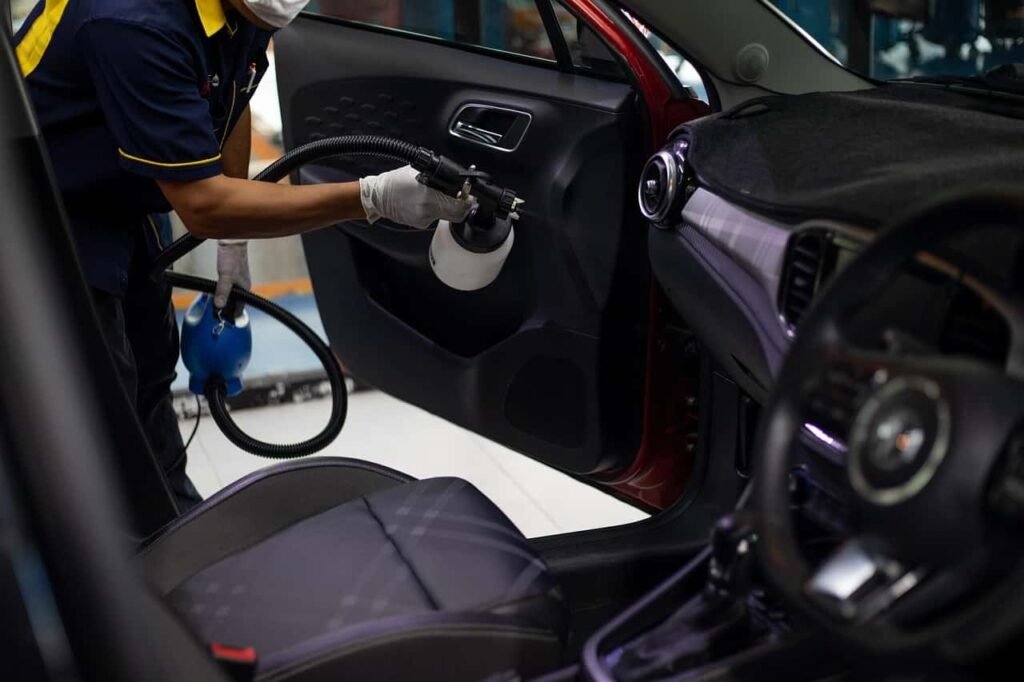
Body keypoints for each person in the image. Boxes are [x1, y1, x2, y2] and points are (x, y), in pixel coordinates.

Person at [14, 0, 471, 510]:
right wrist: (371, 198)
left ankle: (171, 524)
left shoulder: (242, 12)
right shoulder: (131, 21)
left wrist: (235, 231)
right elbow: (205, 206)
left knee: (150, 370)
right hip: (33, 212)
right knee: (99, 399)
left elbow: (228, 93)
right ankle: (111, 558)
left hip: (113, 196)